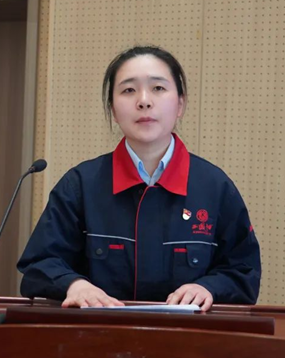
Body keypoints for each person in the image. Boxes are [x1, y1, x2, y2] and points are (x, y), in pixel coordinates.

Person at [17, 46, 261, 311]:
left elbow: (243, 270)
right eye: (129, 90)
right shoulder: (80, 185)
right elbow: (39, 264)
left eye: (158, 88)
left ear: (180, 104)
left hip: (189, 334)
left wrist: (208, 287)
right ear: (112, 109)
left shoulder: (215, 187)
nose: (144, 101)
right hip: (98, 332)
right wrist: (74, 285)